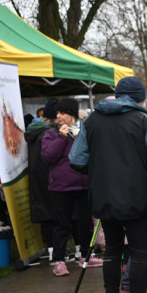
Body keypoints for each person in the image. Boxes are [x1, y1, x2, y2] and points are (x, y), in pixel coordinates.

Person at [69, 76, 147, 293]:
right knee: (139, 253)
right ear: (140, 98)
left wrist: (100, 168)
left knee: (112, 251)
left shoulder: (92, 120)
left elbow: (76, 159)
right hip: (138, 196)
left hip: (104, 195)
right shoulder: (144, 120)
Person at [42, 98, 100, 275]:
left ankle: (86, 256)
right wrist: (62, 137)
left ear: (72, 114)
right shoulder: (51, 134)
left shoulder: (83, 130)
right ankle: (59, 261)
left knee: (85, 223)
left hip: (83, 184)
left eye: (63, 113)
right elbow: (48, 157)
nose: (59, 116)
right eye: (57, 113)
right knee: (61, 224)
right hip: (61, 187)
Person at [24, 98, 58, 265]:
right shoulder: (48, 133)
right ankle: (56, 253)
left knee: (46, 216)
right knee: (55, 215)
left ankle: (52, 251)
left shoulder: (34, 131)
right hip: (50, 177)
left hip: (38, 178)